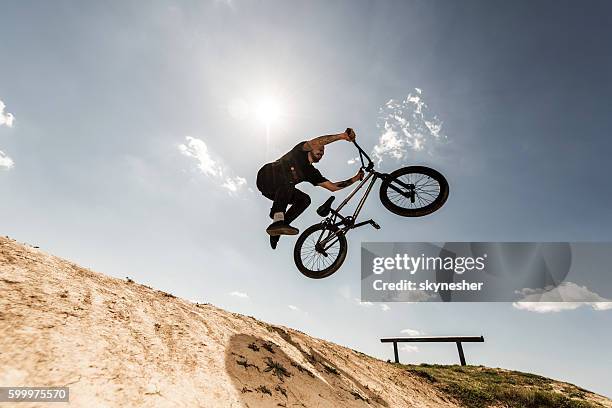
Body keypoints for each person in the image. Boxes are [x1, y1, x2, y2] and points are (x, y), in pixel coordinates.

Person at [256, 128, 364, 249]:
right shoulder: (300, 151)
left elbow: (332, 187)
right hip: (266, 176)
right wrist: (342, 136)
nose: (322, 152)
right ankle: (278, 219)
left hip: (277, 193)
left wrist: (355, 178)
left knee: (305, 199)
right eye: (321, 149)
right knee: (289, 179)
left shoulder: (312, 173)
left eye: (323, 152)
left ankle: (279, 228)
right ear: (312, 147)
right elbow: (317, 142)